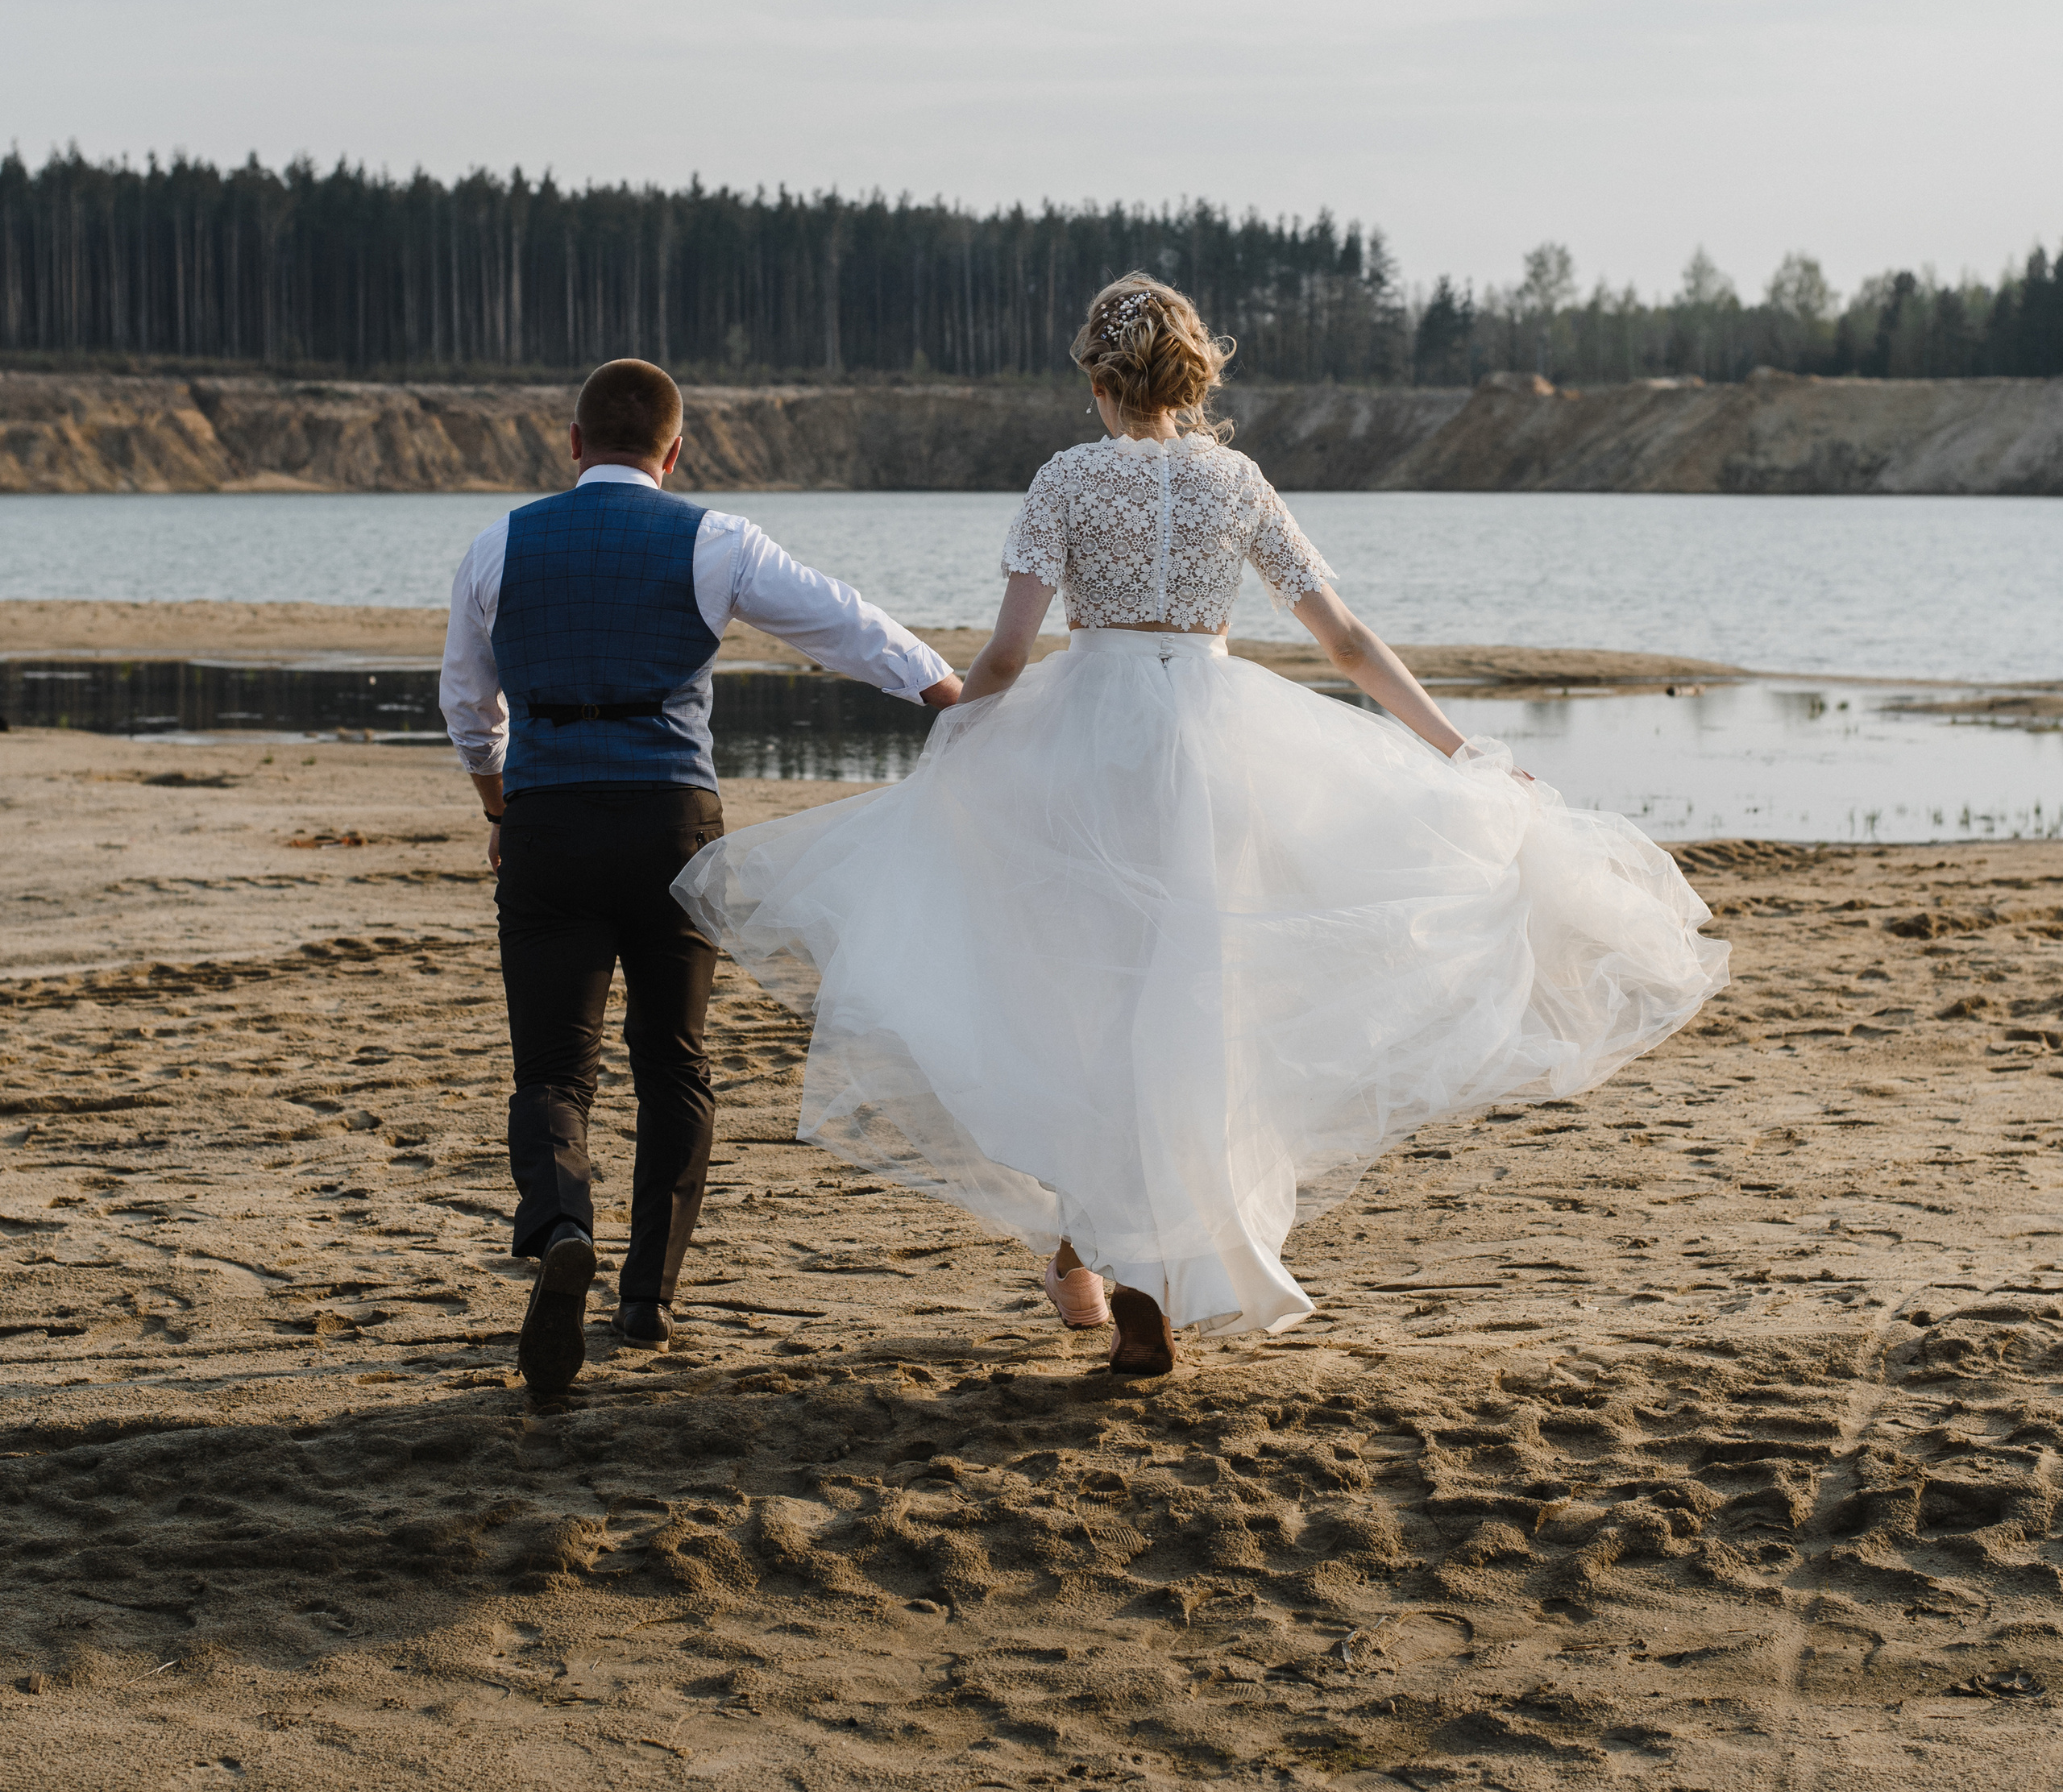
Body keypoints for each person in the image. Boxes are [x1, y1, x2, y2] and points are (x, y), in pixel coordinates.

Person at [675, 275, 1728, 1377]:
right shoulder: (1238, 482)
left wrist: (959, 741)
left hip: (1093, 748)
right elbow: (1348, 643)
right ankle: (1121, 1261)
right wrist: (1456, 749)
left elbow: (1003, 652)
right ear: (1190, 379)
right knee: (1193, 999)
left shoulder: (1066, 481)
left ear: (1095, 379)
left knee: (1088, 998)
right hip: (1222, 752)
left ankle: (1117, 1270)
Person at [439, 356, 961, 1396]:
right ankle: (647, 1297)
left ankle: (558, 1232)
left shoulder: (500, 542)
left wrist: (501, 805)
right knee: (672, 1060)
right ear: (674, 454)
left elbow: (467, 698)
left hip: (547, 823)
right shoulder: (711, 540)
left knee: (552, 1070)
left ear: (574, 445)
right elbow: (839, 621)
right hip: (671, 826)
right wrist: (942, 688)